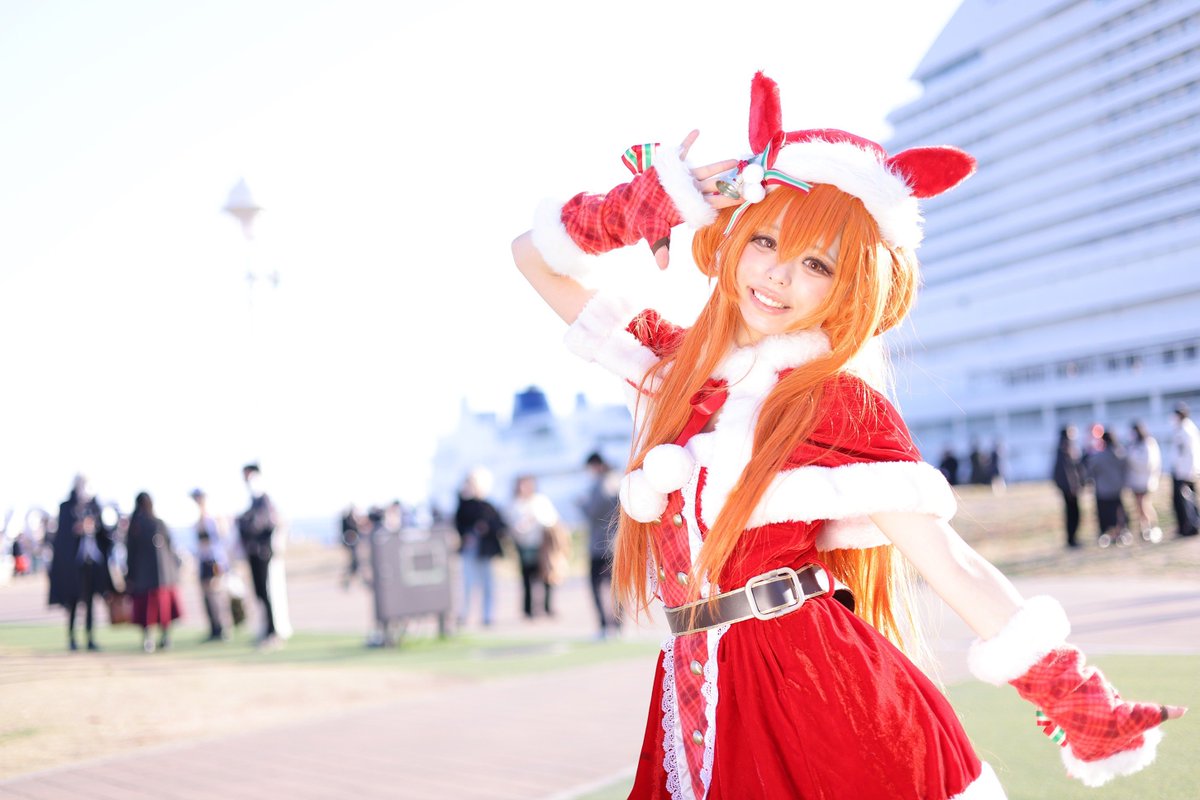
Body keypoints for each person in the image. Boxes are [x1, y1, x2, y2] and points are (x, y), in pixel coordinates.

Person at [510, 73, 1182, 798]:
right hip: (694, 685)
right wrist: (648, 205)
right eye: (765, 239)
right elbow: (531, 256)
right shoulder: (671, 370)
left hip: (816, 692)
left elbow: (951, 563)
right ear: (732, 237)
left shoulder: (834, 404)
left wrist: (1076, 697)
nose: (778, 276)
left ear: (847, 287)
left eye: (816, 264)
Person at [48, 475, 113, 651]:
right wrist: (76, 530)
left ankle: (90, 638)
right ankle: (72, 638)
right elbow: (61, 537)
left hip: (92, 562)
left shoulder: (95, 507)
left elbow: (105, 534)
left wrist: (94, 527)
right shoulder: (66, 507)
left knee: (91, 602)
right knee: (73, 602)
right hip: (74, 564)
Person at [125, 492, 183, 652]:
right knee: (156, 610)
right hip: (158, 578)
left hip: (150, 578)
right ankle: (161, 638)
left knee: (154, 611)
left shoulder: (144, 525)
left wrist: (130, 576)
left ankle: (153, 639)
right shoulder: (146, 524)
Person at [453, 468, 506, 627]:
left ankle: (487, 616)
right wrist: (467, 535)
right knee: (467, 584)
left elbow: (499, 526)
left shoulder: (488, 506)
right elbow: (458, 524)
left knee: (488, 584)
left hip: (485, 550)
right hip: (469, 550)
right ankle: (464, 614)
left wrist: (486, 528)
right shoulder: (464, 505)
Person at [238, 463, 282, 648]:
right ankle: (265, 629)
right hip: (253, 553)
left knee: (265, 592)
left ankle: (272, 632)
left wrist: (248, 524)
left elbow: (263, 524)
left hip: (262, 553)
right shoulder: (253, 502)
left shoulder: (264, 500)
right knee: (259, 593)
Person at [580, 451, 622, 638]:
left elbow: (593, 512)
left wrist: (581, 504)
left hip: (600, 544)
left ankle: (605, 626)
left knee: (597, 586)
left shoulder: (602, 484)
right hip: (615, 543)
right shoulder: (618, 480)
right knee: (616, 587)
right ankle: (618, 625)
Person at [508, 474, 558, 619]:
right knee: (527, 578)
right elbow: (510, 525)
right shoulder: (514, 504)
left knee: (547, 576)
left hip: (542, 545)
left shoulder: (540, 501)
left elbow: (551, 520)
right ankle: (528, 609)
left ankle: (547, 607)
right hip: (524, 545)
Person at [191, 489, 230, 641]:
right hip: (203, 561)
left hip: (214, 560)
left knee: (216, 594)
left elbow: (219, 543)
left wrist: (220, 565)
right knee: (207, 595)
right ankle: (214, 628)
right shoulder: (197, 521)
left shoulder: (212, 519)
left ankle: (222, 628)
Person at [1088, 430, 1131, 548]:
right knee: (1118, 513)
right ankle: (1121, 532)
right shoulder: (1120, 453)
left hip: (1103, 490)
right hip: (1117, 488)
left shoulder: (1098, 456)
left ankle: (1106, 534)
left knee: (1104, 514)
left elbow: (1091, 469)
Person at [1127, 421, 1163, 543]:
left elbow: (1149, 462)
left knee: (1144, 504)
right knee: (1139, 506)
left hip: (1146, 480)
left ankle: (1154, 527)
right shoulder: (1133, 445)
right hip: (1135, 481)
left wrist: (1133, 462)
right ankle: (1144, 528)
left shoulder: (1148, 443)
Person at [1169, 402, 1200, 538]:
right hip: (1182, 471)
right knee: (1183, 500)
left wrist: (1188, 472)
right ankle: (1185, 527)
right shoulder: (1181, 428)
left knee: (1185, 501)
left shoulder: (1186, 430)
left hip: (1185, 472)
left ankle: (1190, 527)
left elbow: (1190, 453)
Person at [1053, 426, 1086, 549]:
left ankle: (1073, 538)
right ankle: (1071, 539)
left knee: (1073, 513)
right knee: (1073, 514)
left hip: (1070, 488)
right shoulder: (1064, 448)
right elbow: (1066, 471)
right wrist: (1071, 487)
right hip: (1069, 489)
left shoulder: (1065, 447)